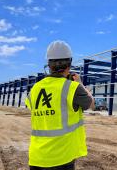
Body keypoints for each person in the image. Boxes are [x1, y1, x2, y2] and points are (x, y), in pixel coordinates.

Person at [25, 40, 95, 170]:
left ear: (49, 65)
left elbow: (33, 106)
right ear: (69, 64)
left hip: (36, 157)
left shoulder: (35, 88)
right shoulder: (73, 88)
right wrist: (80, 84)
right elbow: (92, 104)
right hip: (61, 158)